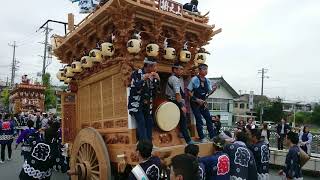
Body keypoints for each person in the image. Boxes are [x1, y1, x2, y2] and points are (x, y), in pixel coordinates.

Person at [128, 57, 160, 141]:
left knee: (149, 122)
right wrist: (143, 79)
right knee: (141, 122)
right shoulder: (136, 73)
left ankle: (149, 143)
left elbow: (156, 92)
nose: (156, 69)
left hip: (147, 103)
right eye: (154, 66)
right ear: (149, 66)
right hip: (136, 103)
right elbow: (134, 88)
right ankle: (144, 144)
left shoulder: (153, 76)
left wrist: (158, 80)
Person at [166, 63, 194, 144]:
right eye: (180, 69)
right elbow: (177, 93)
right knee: (183, 120)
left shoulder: (173, 78)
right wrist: (181, 106)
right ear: (175, 70)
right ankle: (188, 140)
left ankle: (182, 133)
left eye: (182, 69)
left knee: (181, 119)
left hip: (173, 101)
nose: (182, 71)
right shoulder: (174, 79)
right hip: (175, 101)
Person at [187, 64, 216, 142]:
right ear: (199, 70)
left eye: (207, 69)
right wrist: (196, 100)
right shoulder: (194, 79)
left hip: (203, 102)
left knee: (208, 118)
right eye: (204, 69)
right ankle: (202, 137)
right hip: (195, 102)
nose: (206, 71)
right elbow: (189, 91)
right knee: (199, 119)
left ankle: (212, 136)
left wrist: (213, 90)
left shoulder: (208, 81)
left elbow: (208, 93)